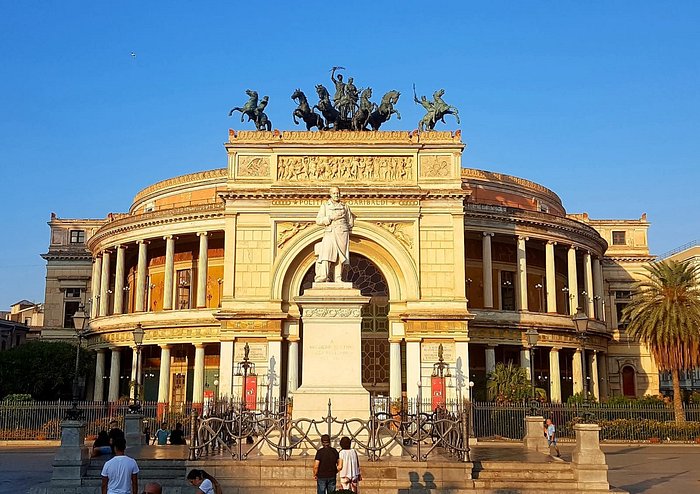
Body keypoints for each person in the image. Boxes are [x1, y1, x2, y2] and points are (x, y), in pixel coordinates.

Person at [314, 187, 354, 283]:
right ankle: (323, 276)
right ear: (330, 194)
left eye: (338, 193)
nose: (336, 195)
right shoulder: (325, 206)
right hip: (330, 232)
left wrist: (344, 227)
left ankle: (338, 278)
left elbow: (350, 221)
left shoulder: (345, 206)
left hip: (342, 233)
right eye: (334, 193)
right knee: (326, 253)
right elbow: (318, 220)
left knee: (340, 256)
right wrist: (329, 218)